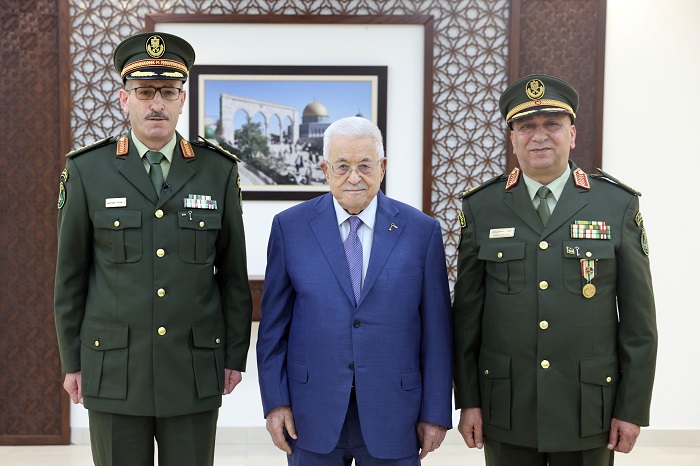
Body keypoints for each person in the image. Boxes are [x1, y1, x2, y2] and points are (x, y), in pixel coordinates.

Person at [53, 32, 253, 466]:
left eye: (168, 92)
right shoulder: (87, 169)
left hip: (193, 368)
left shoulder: (217, 170)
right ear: (125, 100)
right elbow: (70, 277)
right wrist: (72, 360)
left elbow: (234, 276)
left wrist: (234, 354)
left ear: (183, 100)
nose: (156, 103)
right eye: (145, 92)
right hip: (114, 369)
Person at [452, 74, 658, 466]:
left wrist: (631, 408)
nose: (539, 136)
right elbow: (466, 319)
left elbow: (639, 322)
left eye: (552, 124)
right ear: (513, 139)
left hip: (589, 407)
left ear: (572, 134)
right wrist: (469, 401)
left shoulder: (616, 205)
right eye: (526, 126)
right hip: (506, 405)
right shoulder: (481, 207)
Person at [257, 116, 453, 465]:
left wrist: (435, 413)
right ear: (325, 169)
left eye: (365, 165)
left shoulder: (421, 232)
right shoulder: (290, 227)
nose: (354, 177)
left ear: (382, 167)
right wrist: (275, 403)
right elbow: (273, 329)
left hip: (395, 413)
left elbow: (437, 333)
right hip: (309, 412)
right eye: (342, 166)